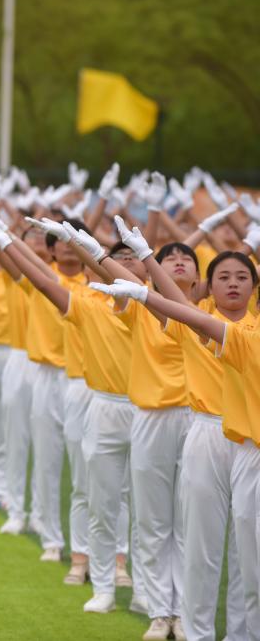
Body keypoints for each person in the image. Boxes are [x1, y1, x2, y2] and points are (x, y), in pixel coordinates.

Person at [92, 246, 256, 641]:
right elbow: (161, 298)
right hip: (205, 431)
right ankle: (193, 629)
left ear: (255, 287)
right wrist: (103, 254)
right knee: (199, 542)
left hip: (248, 440)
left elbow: (157, 296)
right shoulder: (195, 320)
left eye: (242, 277)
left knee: (248, 552)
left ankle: (242, 633)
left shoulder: (252, 331)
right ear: (208, 286)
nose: (233, 284)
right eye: (223, 277)